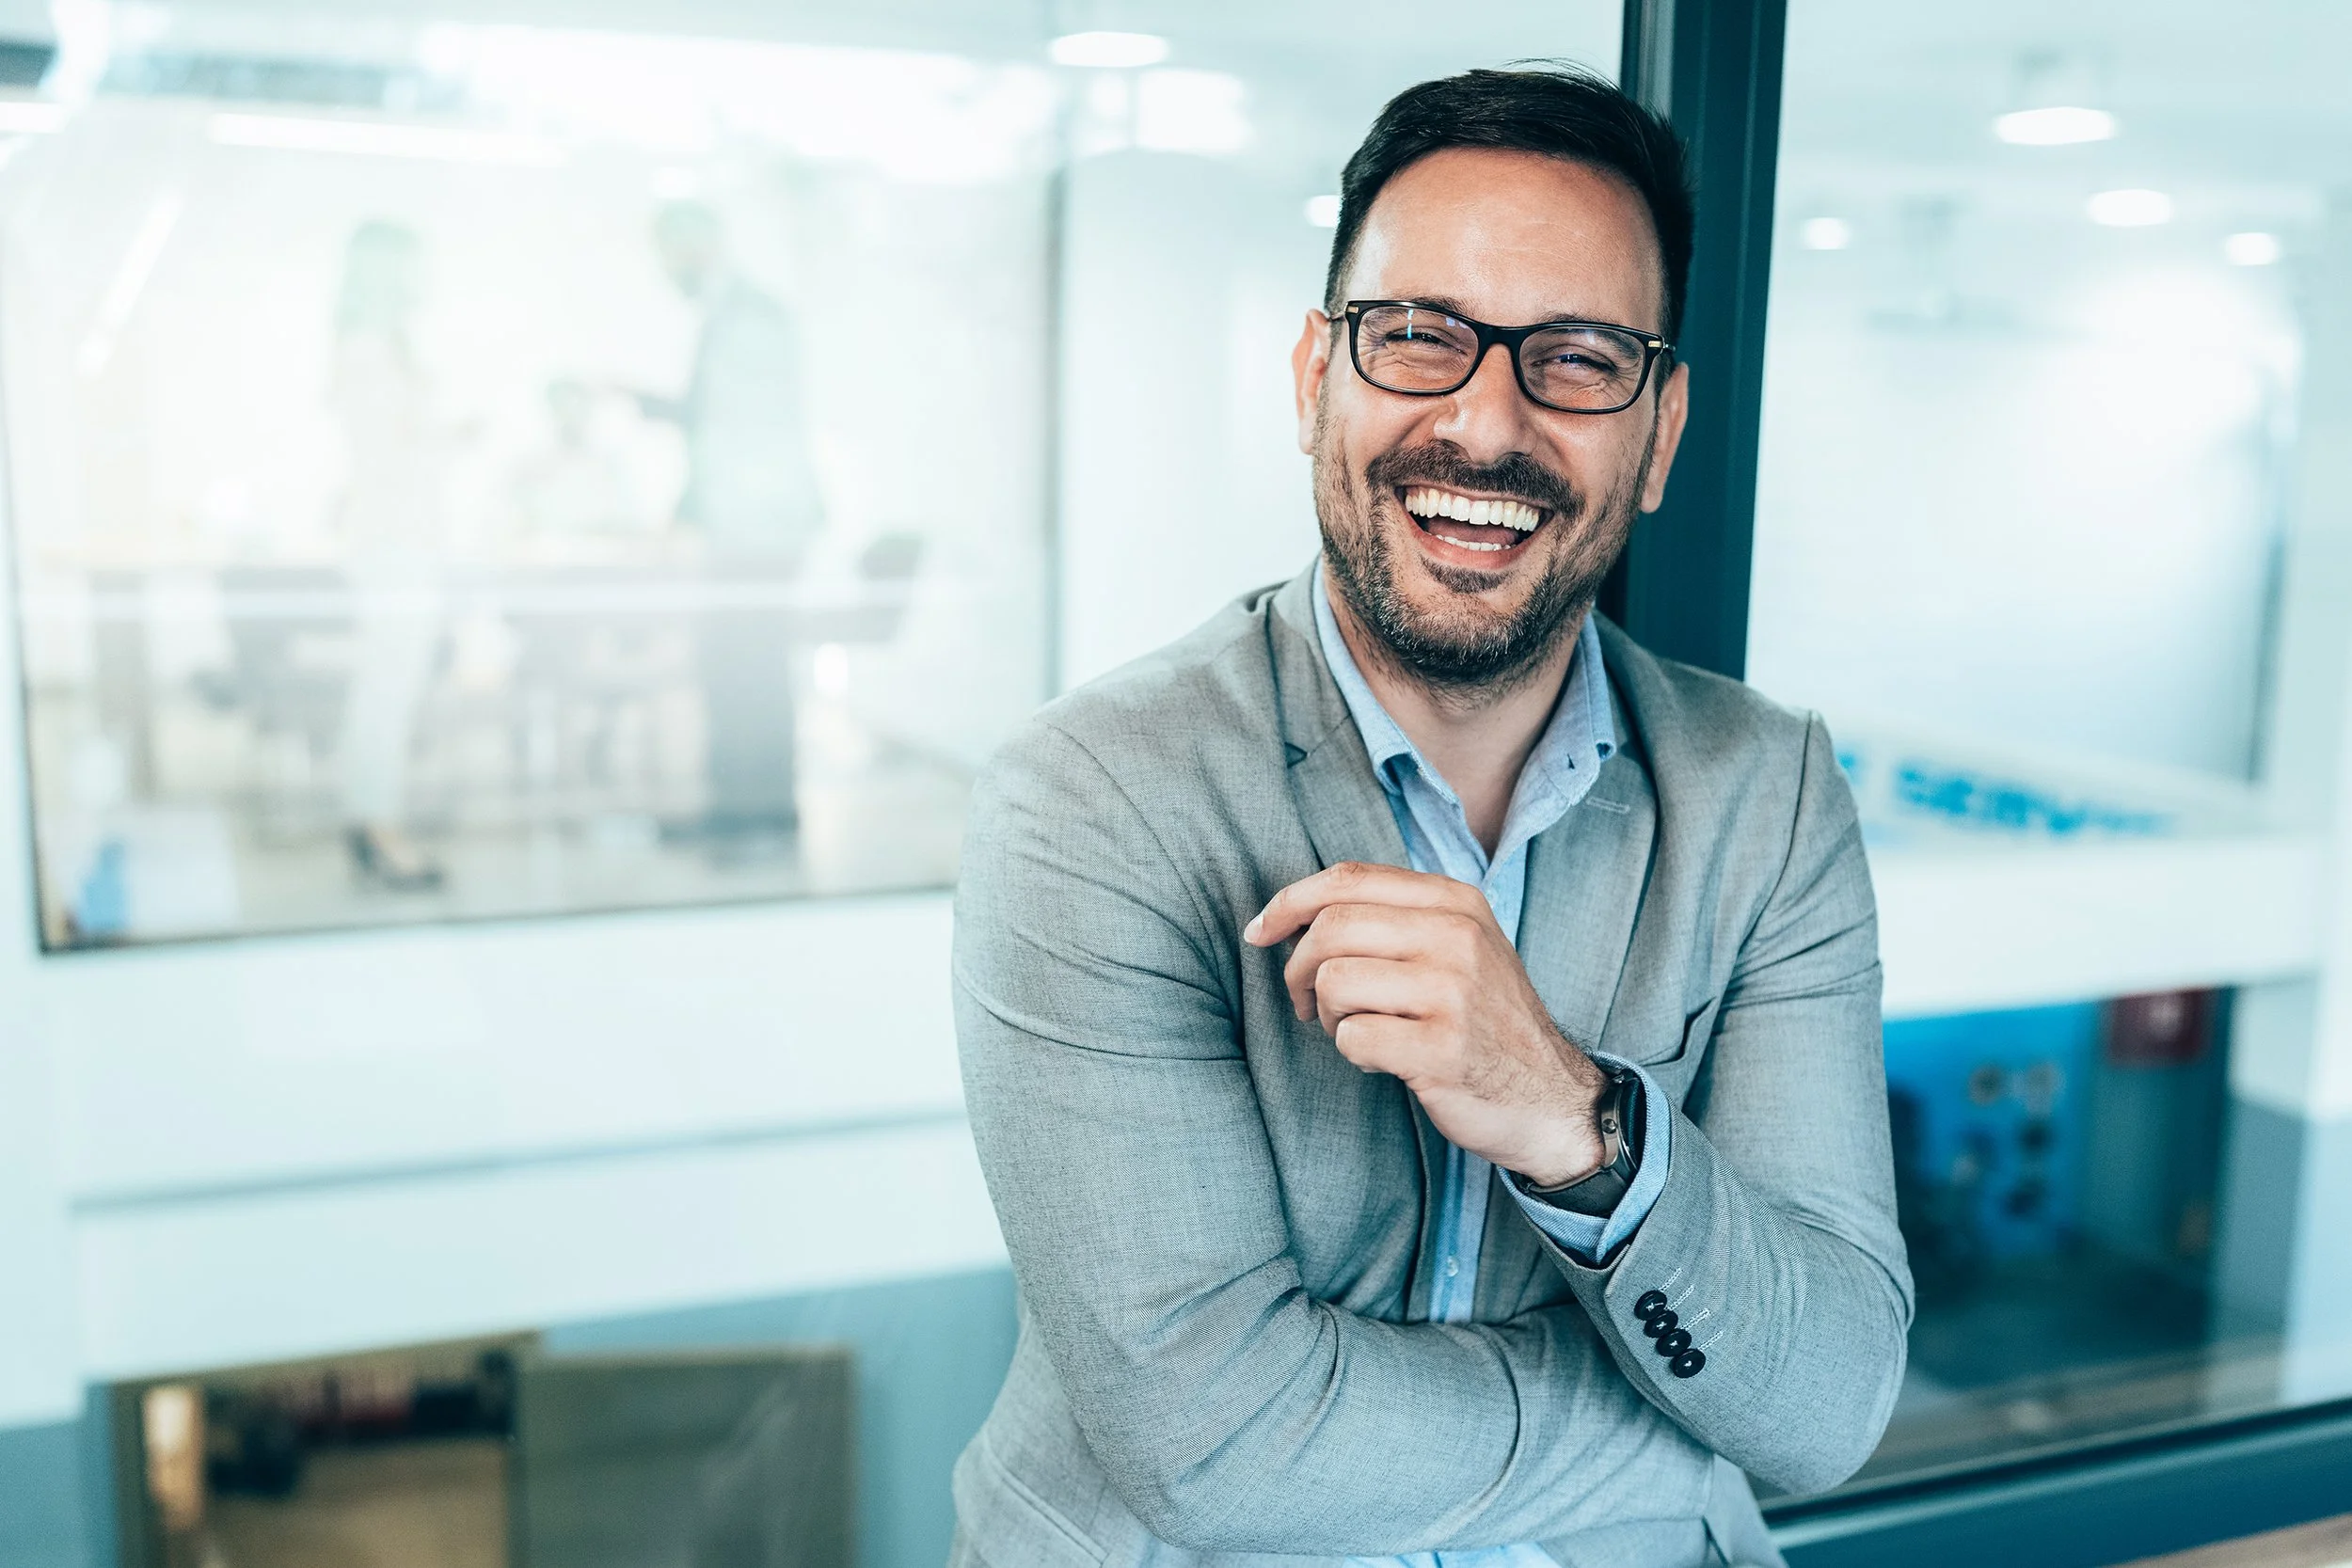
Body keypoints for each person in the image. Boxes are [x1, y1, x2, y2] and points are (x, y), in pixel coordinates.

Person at [950, 66, 1911, 1568]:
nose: (1485, 420)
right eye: (1416, 337)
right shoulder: (1094, 797)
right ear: (1312, 380)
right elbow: (1219, 1447)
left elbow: (1836, 1394)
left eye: (1578, 359)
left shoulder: (1767, 795)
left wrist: (1574, 1124)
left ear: (1658, 438)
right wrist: (1685, 1421)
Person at [635, 200, 823, 853]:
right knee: (729, 666)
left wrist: (686, 508)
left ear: (700, 244)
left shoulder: (751, 315)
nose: (663, 268)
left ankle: (764, 819)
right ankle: (738, 810)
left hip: (760, 525)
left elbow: (739, 429)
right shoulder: (733, 312)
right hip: (743, 521)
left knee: (753, 668)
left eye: (667, 250)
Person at [330, 219, 451, 892]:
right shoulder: (368, 349)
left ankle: (375, 820)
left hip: (403, 538)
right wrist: (435, 438)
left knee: (388, 689)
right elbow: (387, 450)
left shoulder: (382, 350)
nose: (417, 281)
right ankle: (378, 827)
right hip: (393, 542)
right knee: (385, 690)